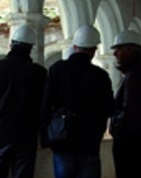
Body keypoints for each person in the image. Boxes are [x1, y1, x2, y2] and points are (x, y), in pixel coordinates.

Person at [40, 24, 115, 178]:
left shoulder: (57, 69)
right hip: (89, 141)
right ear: (94, 50)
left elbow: (46, 104)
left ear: (74, 47)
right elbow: (109, 109)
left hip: (62, 139)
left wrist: (45, 136)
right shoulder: (100, 76)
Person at [0, 24, 47, 178]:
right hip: (26, 136)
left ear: (11, 45)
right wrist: (40, 132)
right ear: (31, 48)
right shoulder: (39, 73)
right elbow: (44, 107)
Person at [109, 30, 141, 178]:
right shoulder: (138, 73)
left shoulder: (135, 75)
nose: (115, 54)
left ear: (129, 50)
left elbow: (130, 111)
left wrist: (116, 127)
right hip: (138, 137)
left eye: (118, 49)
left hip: (131, 141)